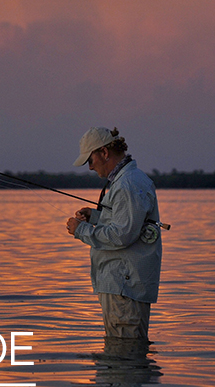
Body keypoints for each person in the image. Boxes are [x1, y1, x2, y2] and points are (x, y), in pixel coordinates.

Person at [66, 126, 162, 341]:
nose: (90, 168)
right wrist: (96, 217)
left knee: (124, 354)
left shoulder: (127, 184)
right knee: (121, 357)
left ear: (104, 153)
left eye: (90, 160)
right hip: (123, 286)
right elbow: (127, 223)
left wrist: (81, 230)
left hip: (124, 288)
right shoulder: (128, 181)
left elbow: (122, 235)